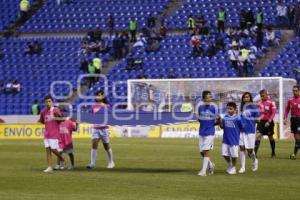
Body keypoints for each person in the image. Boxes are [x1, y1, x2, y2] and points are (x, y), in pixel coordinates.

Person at [87, 91, 115, 169]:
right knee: (94, 145)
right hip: (95, 129)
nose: (98, 97)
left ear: (103, 97)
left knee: (106, 146)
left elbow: (111, 115)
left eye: (100, 95)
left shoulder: (107, 106)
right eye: (97, 95)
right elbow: (89, 115)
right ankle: (92, 163)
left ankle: (111, 162)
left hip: (104, 129)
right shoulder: (93, 106)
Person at [39, 95, 66, 173]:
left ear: (52, 102)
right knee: (47, 150)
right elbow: (42, 121)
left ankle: (62, 159)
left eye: (49, 101)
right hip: (46, 134)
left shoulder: (56, 110)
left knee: (53, 149)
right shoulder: (43, 112)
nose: (48, 103)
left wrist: (56, 119)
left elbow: (61, 120)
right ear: (45, 102)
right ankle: (49, 167)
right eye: (46, 102)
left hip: (54, 133)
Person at [197, 91, 219, 176]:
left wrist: (213, 124)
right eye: (207, 97)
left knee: (206, 150)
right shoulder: (200, 107)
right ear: (203, 99)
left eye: (210, 97)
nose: (209, 99)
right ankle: (210, 164)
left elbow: (217, 119)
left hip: (210, 131)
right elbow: (199, 118)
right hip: (202, 131)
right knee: (201, 152)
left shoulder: (214, 108)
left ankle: (203, 171)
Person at [239, 92, 259, 173]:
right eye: (244, 97)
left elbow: (257, 119)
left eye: (247, 97)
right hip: (242, 130)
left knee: (250, 150)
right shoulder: (241, 108)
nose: (246, 98)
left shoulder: (254, 107)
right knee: (242, 148)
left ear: (250, 98)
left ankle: (255, 160)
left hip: (250, 130)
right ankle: (242, 167)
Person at [220, 102, 242, 175]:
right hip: (225, 139)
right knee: (224, 154)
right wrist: (220, 122)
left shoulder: (238, 118)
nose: (229, 110)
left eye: (231, 109)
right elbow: (222, 127)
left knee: (234, 155)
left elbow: (242, 127)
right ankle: (230, 164)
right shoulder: (225, 117)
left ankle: (234, 167)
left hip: (234, 140)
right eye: (228, 109)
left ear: (235, 109)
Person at [255, 89, 277, 158]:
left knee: (270, 137)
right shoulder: (259, 103)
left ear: (267, 95)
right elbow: (259, 113)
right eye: (261, 96)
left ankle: (273, 153)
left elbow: (273, 113)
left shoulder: (271, 103)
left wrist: (269, 121)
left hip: (269, 122)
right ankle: (254, 154)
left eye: (263, 96)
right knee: (258, 136)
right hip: (261, 122)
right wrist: (257, 118)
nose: (262, 97)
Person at [284, 85, 300, 160]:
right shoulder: (290, 100)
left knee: (297, 138)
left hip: (299, 119)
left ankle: (294, 154)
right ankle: (294, 154)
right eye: (293, 91)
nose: (295, 92)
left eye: (296, 91)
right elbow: (287, 109)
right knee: (297, 139)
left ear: (299, 91)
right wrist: (285, 118)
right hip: (293, 120)